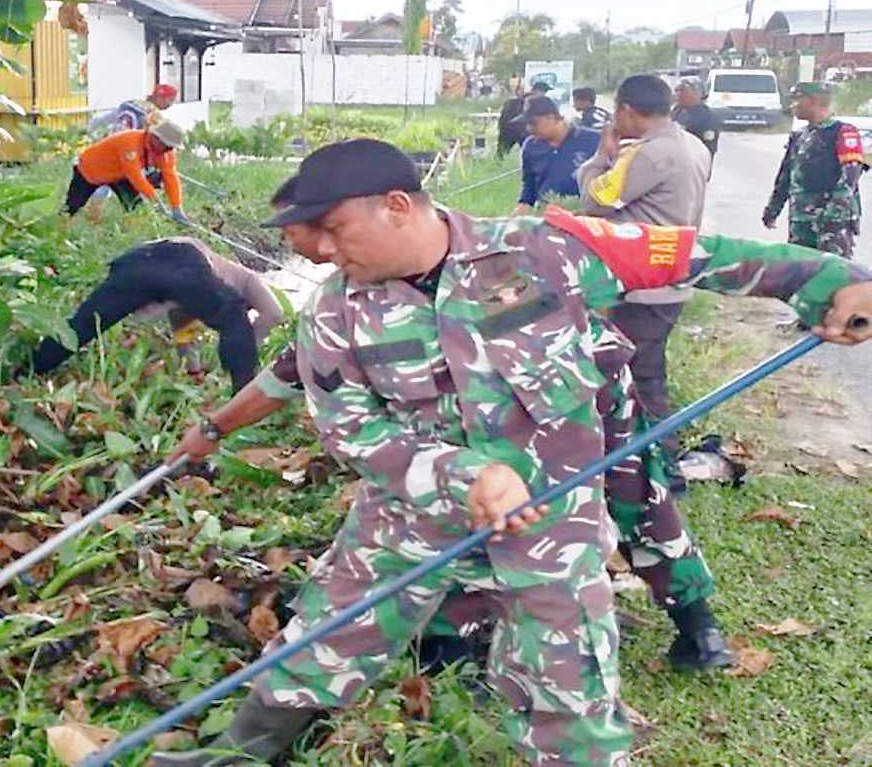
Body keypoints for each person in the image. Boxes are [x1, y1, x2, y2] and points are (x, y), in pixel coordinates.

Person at [151, 138, 872, 767]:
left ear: (396, 205)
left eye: (336, 230)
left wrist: (828, 281)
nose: (328, 251)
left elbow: (701, 255)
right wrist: (461, 473)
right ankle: (235, 755)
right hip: (408, 520)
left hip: (551, 527)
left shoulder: (547, 250)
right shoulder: (336, 312)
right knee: (324, 641)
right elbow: (349, 425)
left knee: (573, 693)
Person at [172, 176, 733, 676]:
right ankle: (452, 644)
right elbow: (291, 373)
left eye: (327, 239)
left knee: (635, 497)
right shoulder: (352, 301)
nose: (322, 257)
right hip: (486, 433)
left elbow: (676, 257)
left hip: (586, 399)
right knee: (458, 508)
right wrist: (214, 429)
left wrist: (810, 279)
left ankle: (696, 624)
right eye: (307, 251)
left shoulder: (518, 249)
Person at [577, 73, 711, 484]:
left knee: (635, 377)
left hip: (641, 287)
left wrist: (602, 156)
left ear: (626, 111)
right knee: (647, 372)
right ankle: (651, 460)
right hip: (670, 278)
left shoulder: (649, 154)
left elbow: (594, 199)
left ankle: (658, 468)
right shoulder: (692, 144)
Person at [28, 237, 282, 393]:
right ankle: (243, 396)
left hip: (133, 262)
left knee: (83, 326)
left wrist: (194, 372)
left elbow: (184, 332)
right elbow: (274, 313)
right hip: (181, 255)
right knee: (232, 311)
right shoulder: (245, 280)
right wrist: (248, 344)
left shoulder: (195, 295)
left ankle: (29, 370)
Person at [763, 81, 867, 258]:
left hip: (833, 222)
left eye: (797, 99)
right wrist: (773, 209)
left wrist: (832, 213)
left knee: (833, 273)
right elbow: (786, 176)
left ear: (814, 100)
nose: (793, 105)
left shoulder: (843, 132)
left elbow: (850, 177)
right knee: (801, 271)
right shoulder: (799, 136)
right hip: (801, 219)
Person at [62, 120, 188, 221]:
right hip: (91, 170)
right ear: (155, 138)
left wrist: (177, 207)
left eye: (171, 148)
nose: (169, 150)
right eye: (167, 146)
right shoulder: (130, 143)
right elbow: (135, 176)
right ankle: (59, 231)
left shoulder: (166, 153)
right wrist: (157, 202)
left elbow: (170, 177)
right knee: (72, 207)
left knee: (134, 207)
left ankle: (131, 233)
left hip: (120, 175)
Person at [512, 96, 600, 214]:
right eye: (527, 124)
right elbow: (529, 186)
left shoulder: (594, 140)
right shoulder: (530, 147)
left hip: (586, 216)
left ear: (551, 117)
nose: (529, 128)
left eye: (533, 123)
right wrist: (521, 209)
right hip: (546, 216)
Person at [88, 83, 178, 134]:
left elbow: (104, 120)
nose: (170, 104)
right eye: (170, 100)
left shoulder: (130, 104)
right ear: (159, 98)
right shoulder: (154, 115)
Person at [671, 77, 720, 159]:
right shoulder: (675, 111)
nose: (678, 94)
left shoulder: (708, 117)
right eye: (676, 90)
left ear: (697, 93)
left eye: (682, 90)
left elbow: (708, 146)